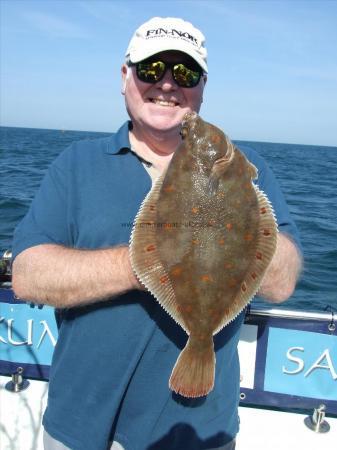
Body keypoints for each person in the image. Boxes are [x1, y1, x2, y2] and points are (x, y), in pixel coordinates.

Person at [12, 16, 302, 450]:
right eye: (151, 70)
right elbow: (27, 277)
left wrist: (239, 208)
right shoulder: (76, 164)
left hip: (198, 432)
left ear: (202, 86)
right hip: (77, 425)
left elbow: (282, 283)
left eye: (184, 73)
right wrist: (152, 261)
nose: (167, 84)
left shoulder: (246, 167)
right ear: (125, 76)